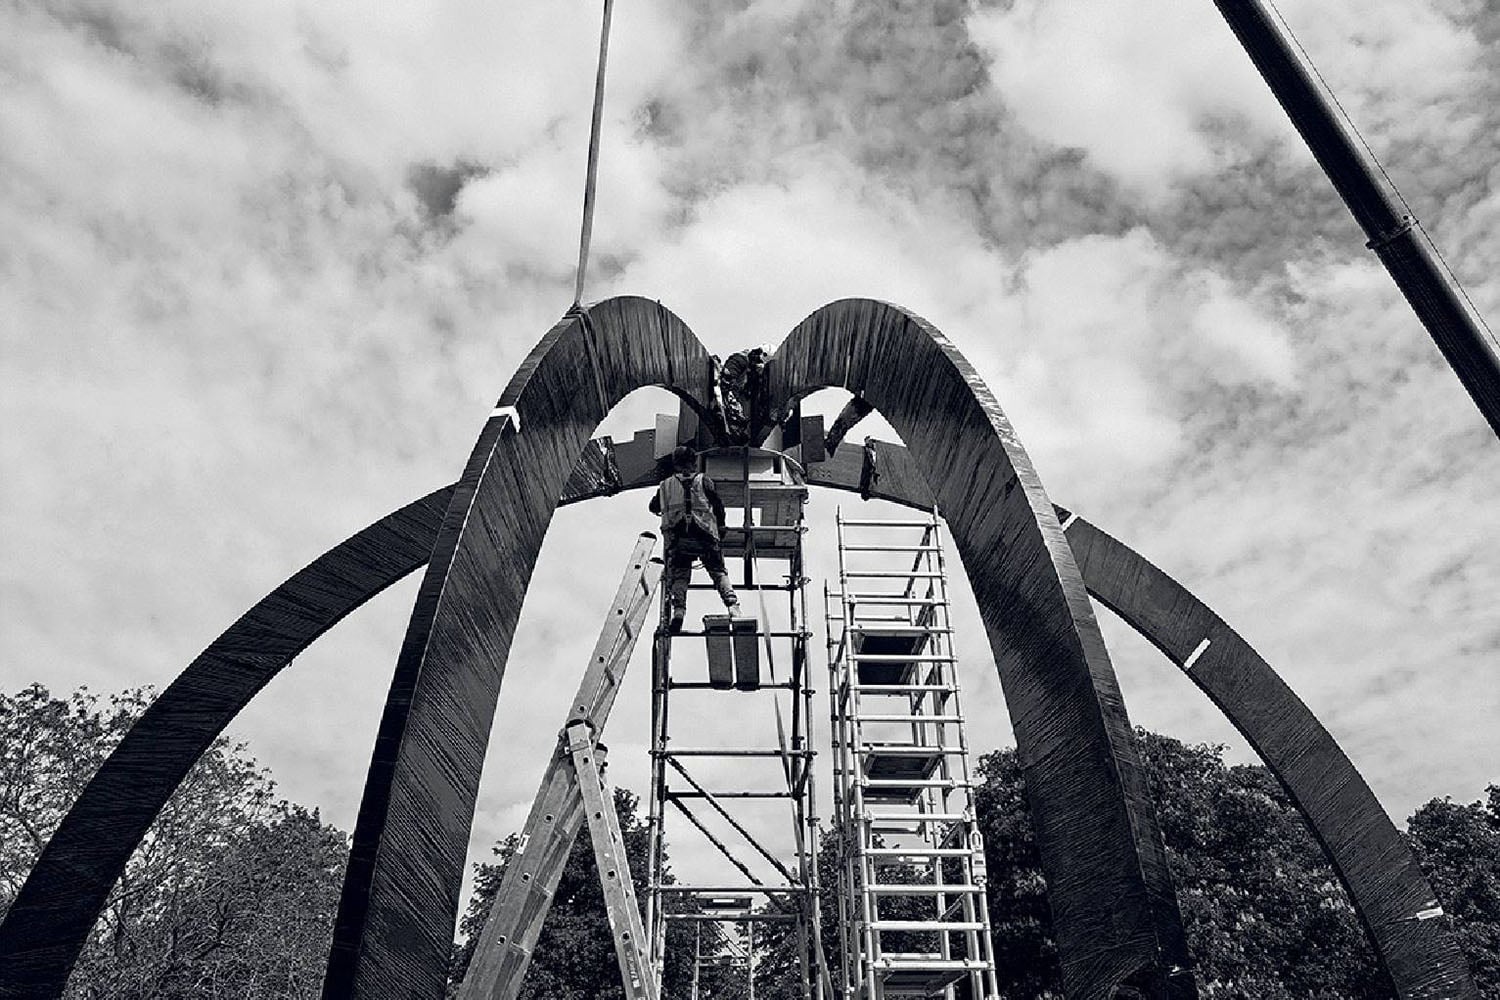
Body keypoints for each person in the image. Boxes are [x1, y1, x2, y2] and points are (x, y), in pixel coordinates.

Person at [650, 446, 738, 632]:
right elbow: (718, 505)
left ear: (675, 464)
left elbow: (653, 507)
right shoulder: (703, 480)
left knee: (680, 576)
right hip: (705, 533)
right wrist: (721, 527)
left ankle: (678, 612)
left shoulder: (665, 485)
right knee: (718, 572)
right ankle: (733, 607)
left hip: (678, 537)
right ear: (694, 462)